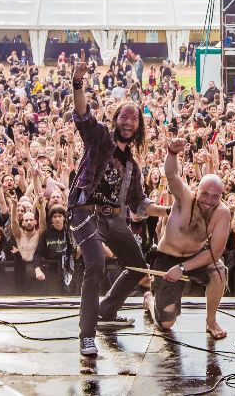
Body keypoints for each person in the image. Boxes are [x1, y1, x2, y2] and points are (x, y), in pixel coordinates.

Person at [66, 61, 167, 357]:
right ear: (116, 120)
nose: (128, 123)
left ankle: (106, 310)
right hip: (86, 213)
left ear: (138, 127)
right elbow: (83, 115)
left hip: (114, 218)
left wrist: (167, 211)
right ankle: (87, 335)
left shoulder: (133, 167)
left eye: (134, 120)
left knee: (137, 268)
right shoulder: (99, 138)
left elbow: (139, 204)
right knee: (95, 264)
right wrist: (77, 83)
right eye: (124, 117)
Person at [143, 137, 231, 338]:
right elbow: (172, 174)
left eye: (215, 196)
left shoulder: (222, 213)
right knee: (166, 324)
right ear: (197, 190)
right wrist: (172, 153)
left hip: (194, 258)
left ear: (222, 196)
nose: (209, 201)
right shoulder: (184, 198)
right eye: (205, 194)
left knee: (219, 270)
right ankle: (149, 300)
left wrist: (182, 268)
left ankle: (211, 321)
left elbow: (215, 252)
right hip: (166, 256)